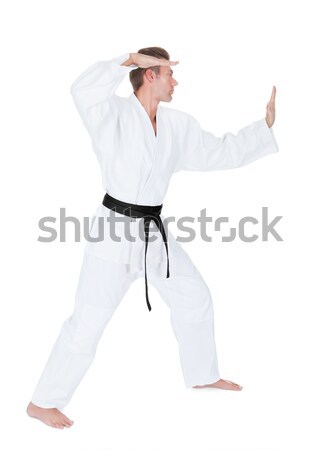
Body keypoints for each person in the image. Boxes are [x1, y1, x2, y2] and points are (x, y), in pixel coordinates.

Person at [26, 47, 278, 429]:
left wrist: (264, 128)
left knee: (194, 295)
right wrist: (125, 61)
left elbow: (217, 152)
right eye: (169, 74)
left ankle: (201, 373)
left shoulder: (177, 126)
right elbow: (82, 90)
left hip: (153, 234)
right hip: (113, 232)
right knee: (89, 319)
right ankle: (43, 402)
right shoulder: (111, 116)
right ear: (150, 76)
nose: (176, 82)